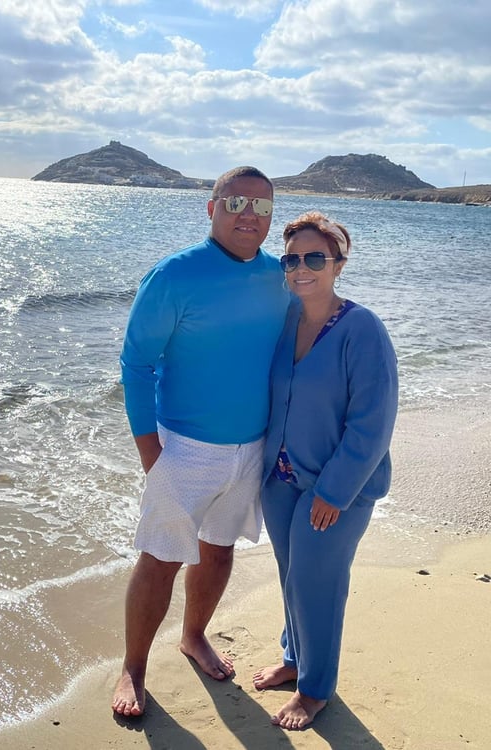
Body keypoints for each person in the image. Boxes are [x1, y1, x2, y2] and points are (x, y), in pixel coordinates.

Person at [113, 167, 290, 717]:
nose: (248, 215)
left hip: (251, 446)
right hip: (184, 447)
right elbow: (136, 364)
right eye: (236, 202)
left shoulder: (279, 277)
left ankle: (194, 636)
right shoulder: (174, 275)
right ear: (210, 208)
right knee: (161, 558)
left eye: (262, 207)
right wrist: (151, 453)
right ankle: (133, 667)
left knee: (218, 551)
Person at [252, 211, 398, 730]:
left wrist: (334, 492)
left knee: (318, 582)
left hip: (337, 488)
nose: (301, 268)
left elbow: (372, 423)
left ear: (337, 264)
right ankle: (295, 660)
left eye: (315, 258)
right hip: (281, 480)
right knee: (292, 578)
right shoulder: (285, 319)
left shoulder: (362, 328)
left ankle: (315, 690)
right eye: (291, 259)